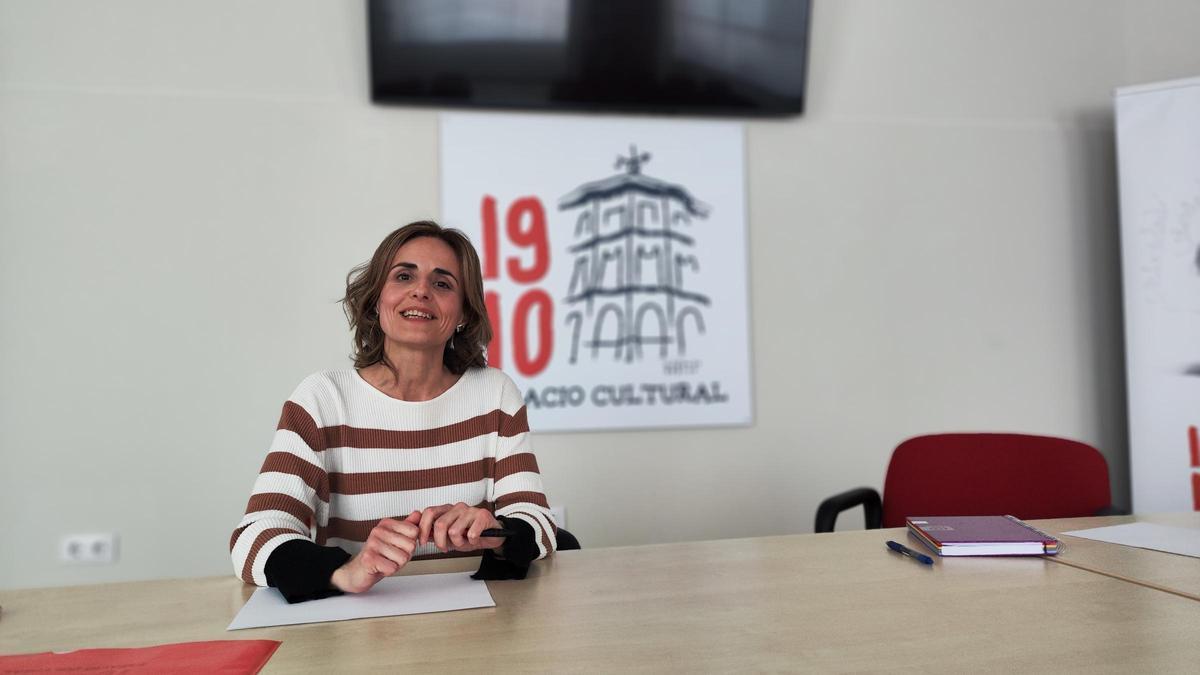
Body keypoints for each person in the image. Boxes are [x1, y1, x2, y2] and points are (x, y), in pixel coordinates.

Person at [230, 221, 557, 602]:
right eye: (403, 276)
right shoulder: (322, 399)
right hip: (358, 630)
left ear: (465, 312)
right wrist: (345, 571)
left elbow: (540, 525)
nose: (421, 291)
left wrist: (496, 530)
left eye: (443, 283)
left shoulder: (495, 394)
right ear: (375, 299)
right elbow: (253, 538)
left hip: (474, 625)